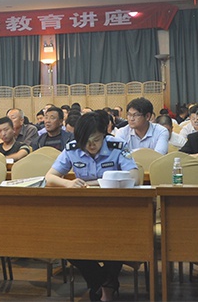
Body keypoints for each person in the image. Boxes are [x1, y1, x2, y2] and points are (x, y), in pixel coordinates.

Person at [44, 111, 137, 301]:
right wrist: (68, 183)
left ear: (104, 134)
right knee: (67, 243)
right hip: (83, 212)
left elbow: (135, 176)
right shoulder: (72, 148)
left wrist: (96, 183)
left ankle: (103, 290)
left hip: (115, 211)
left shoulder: (117, 146)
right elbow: (50, 177)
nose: (91, 145)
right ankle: (104, 282)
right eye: (86, 141)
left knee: (117, 241)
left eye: (96, 140)